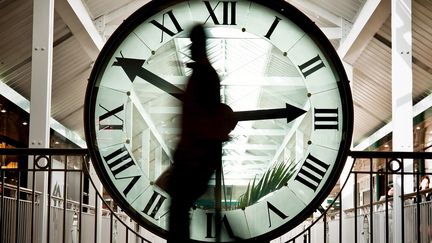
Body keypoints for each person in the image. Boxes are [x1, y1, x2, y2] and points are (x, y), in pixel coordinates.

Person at [166, 24, 236, 243]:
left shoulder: (202, 76)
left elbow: (199, 119)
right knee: (180, 209)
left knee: (178, 210)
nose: (190, 48)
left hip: (193, 158)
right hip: (197, 157)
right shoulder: (206, 75)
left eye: (193, 43)